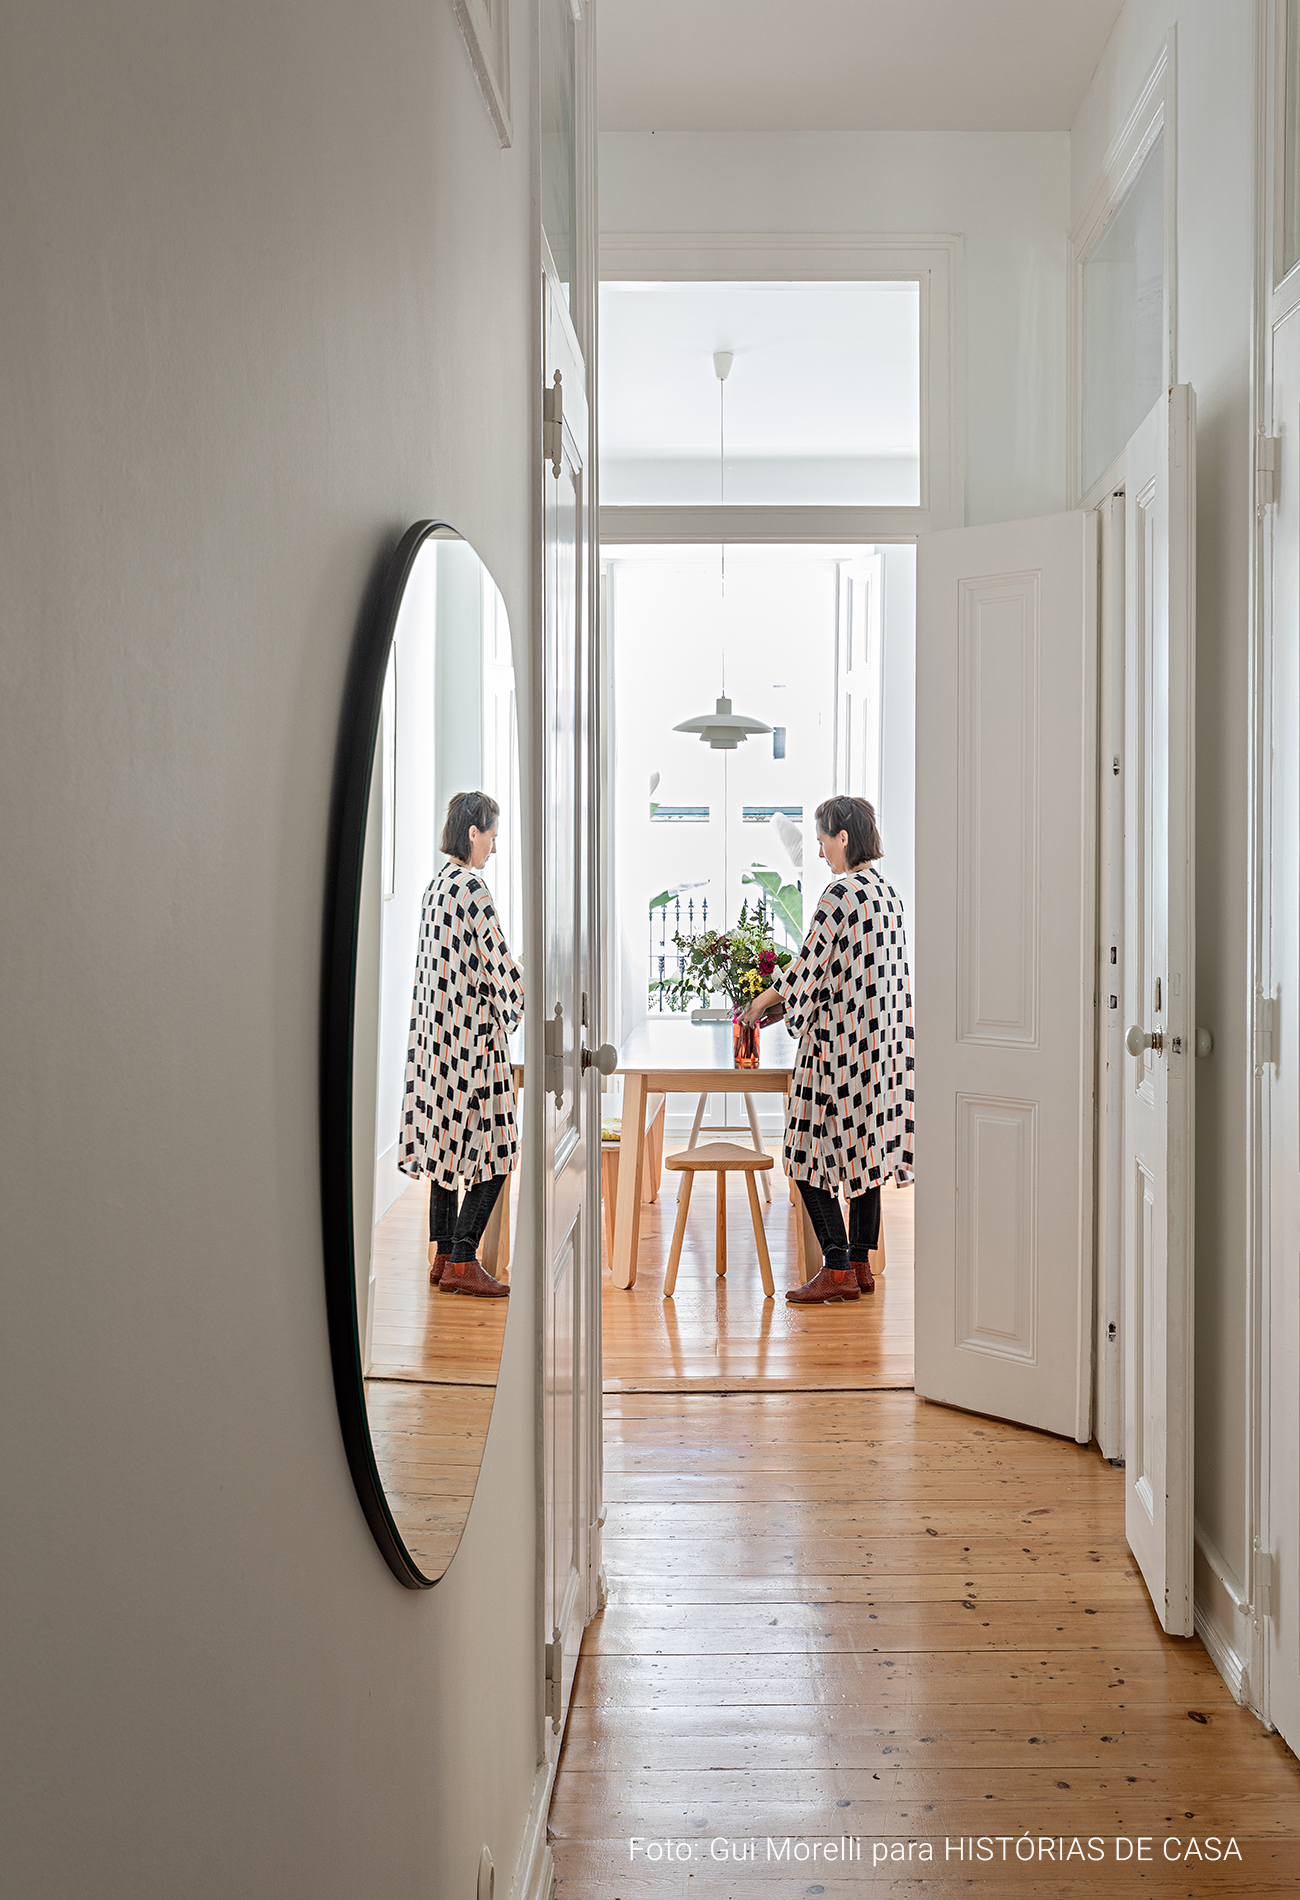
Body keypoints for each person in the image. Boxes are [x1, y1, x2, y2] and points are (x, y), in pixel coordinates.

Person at [741, 795, 913, 1304]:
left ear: (843, 837)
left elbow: (809, 967)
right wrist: (787, 1005)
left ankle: (835, 1267)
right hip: (881, 1050)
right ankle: (861, 1265)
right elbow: (850, 970)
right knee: (868, 1155)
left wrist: (760, 1004)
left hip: (838, 1049)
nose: (819, 854)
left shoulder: (839, 895)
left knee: (800, 1153)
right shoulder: (887, 894)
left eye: (822, 842)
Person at [399, 790, 524, 1297]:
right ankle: (466, 1259)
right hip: (474, 1047)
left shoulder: (436, 887)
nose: (494, 848)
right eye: (492, 836)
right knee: (499, 1150)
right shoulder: (473, 890)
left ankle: (444, 1256)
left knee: (446, 1152)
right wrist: (523, 999)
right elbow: (499, 969)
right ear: (473, 833)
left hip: (437, 1047)